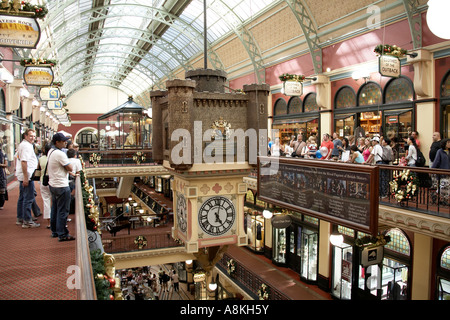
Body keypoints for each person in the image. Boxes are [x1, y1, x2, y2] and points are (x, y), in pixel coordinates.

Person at [48, 133, 74, 241]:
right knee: (63, 210)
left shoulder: (51, 151)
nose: (65, 142)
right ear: (57, 142)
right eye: (63, 141)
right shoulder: (60, 154)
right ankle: (62, 234)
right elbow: (70, 167)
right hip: (61, 185)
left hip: (53, 184)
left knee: (55, 209)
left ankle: (54, 231)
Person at [16, 128, 40, 228]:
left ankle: (21, 217)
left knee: (22, 197)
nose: (33, 138)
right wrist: (26, 177)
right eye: (31, 136)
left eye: (34, 136)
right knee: (28, 198)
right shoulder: (26, 146)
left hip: (24, 175)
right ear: (25, 136)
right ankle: (27, 221)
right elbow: (24, 161)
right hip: (27, 176)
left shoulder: (24, 144)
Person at [38, 143, 52, 228]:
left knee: (46, 201)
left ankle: (49, 222)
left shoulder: (41, 159)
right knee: (55, 202)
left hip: (43, 181)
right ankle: (56, 221)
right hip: (53, 181)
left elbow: (38, 169)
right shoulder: (53, 158)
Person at [0, 142, 7, 210]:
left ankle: (1, 203)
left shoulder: (3, 153)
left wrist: (1, 165)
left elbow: (5, 164)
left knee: (2, 189)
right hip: (1, 173)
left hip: (1, 173)